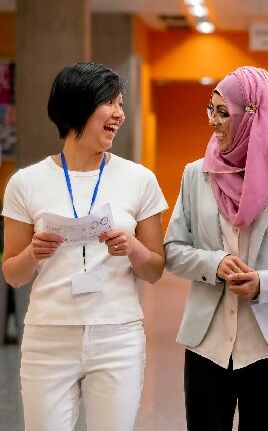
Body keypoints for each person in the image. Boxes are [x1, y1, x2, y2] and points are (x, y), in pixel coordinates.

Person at [164, 66, 268, 431]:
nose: (213, 121)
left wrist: (265, 283)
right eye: (210, 109)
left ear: (255, 117)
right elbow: (173, 249)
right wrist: (214, 261)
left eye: (224, 112)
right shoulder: (198, 174)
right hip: (205, 344)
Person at [1, 62, 167, 430]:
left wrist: (133, 248)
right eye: (109, 102)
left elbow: (155, 269)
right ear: (77, 107)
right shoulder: (25, 183)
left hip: (118, 336)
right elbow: (13, 274)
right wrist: (33, 253)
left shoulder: (138, 179)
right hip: (49, 337)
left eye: (120, 103)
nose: (119, 114)